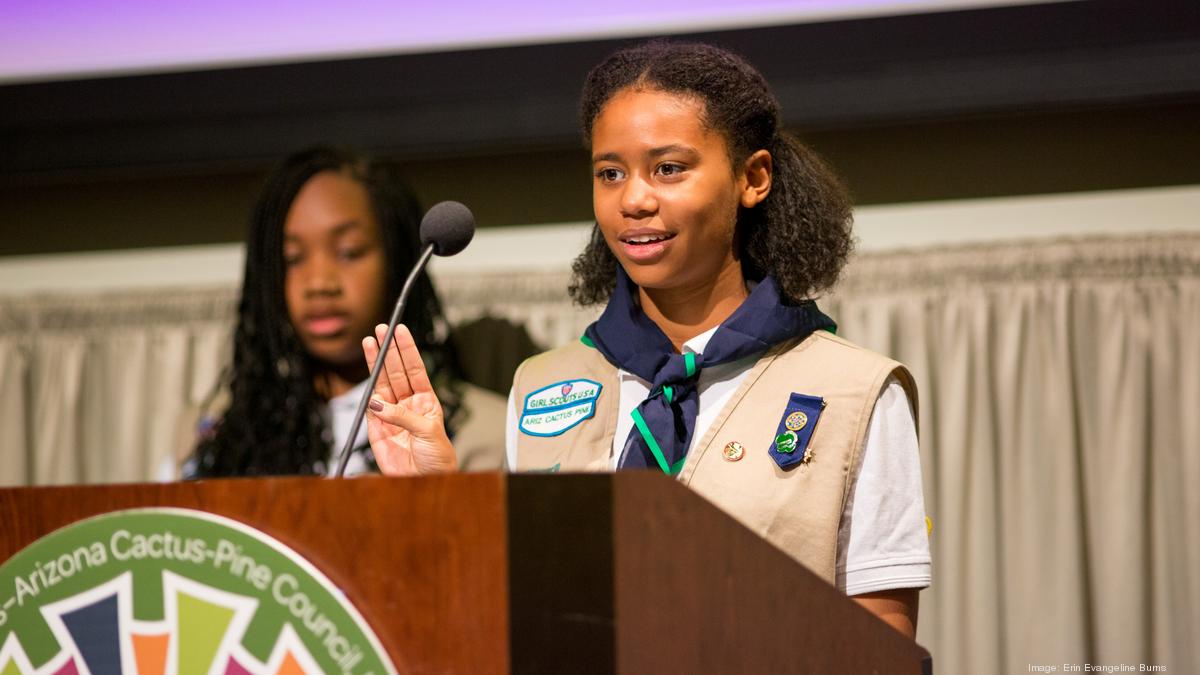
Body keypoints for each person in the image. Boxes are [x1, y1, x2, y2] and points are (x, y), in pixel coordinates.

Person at [360, 42, 930, 636]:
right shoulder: (541, 386)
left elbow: (882, 648)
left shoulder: (856, 392)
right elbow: (518, 621)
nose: (633, 199)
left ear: (752, 177)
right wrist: (437, 499)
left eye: (669, 169)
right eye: (610, 173)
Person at [182, 146, 505, 478]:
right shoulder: (215, 435)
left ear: (397, 259)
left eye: (349, 252)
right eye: (292, 258)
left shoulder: (486, 434)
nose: (319, 283)